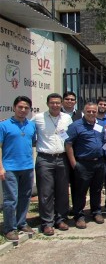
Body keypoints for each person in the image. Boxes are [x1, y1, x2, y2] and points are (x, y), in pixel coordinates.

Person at [33, 93, 72, 236]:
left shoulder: (67, 118)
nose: (55, 105)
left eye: (57, 103)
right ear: (47, 103)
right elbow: (27, 130)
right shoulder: (38, 118)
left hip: (62, 158)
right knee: (46, 192)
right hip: (45, 159)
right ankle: (47, 223)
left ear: (61, 104)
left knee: (62, 191)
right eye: (52, 103)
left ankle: (60, 219)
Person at [0, 96, 36, 242]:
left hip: (27, 167)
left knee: (25, 197)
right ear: (14, 107)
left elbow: (33, 143)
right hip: (10, 168)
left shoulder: (31, 125)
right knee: (10, 199)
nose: (23, 110)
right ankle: (9, 228)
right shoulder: (4, 125)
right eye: (20, 107)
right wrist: (1, 167)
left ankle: (21, 223)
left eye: (26, 108)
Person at [65, 102, 106, 229]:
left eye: (94, 111)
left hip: (98, 162)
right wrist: (73, 163)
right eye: (89, 111)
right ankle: (79, 215)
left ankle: (96, 212)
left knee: (97, 189)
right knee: (80, 191)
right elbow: (68, 144)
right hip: (83, 163)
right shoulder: (75, 126)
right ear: (84, 112)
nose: (92, 113)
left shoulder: (99, 125)